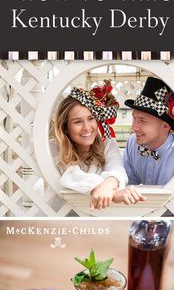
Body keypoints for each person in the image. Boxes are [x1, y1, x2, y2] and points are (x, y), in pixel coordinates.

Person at [53, 80, 145, 209]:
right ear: (65, 127)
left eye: (91, 119)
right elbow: (70, 176)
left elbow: (117, 169)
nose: (87, 128)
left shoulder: (107, 143)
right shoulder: (55, 147)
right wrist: (109, 191)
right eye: (77, 122)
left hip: (99, 214)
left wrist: (108, 185)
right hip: (63, 214)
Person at [122, 76, 174, 213]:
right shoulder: (132, 143)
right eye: (134, 118)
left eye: (142, 121)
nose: (134, 127)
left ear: (165, 126)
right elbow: (128, 184)